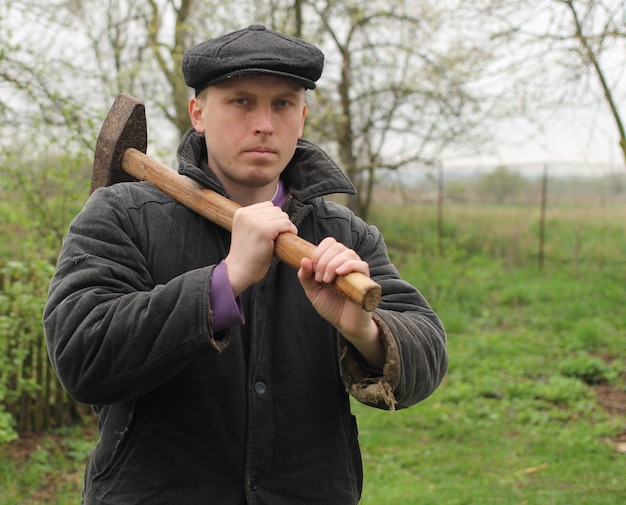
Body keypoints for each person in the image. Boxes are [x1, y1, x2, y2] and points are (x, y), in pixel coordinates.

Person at [43, 24, 447, 505]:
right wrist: (223, 282)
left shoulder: (345, 235)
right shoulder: (123, 216)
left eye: (282, 104)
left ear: (302, 116)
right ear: (198, 113)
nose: (264, 123)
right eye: (240, 101)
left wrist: (366, 332)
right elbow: (80, 356)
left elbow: (428, 355)